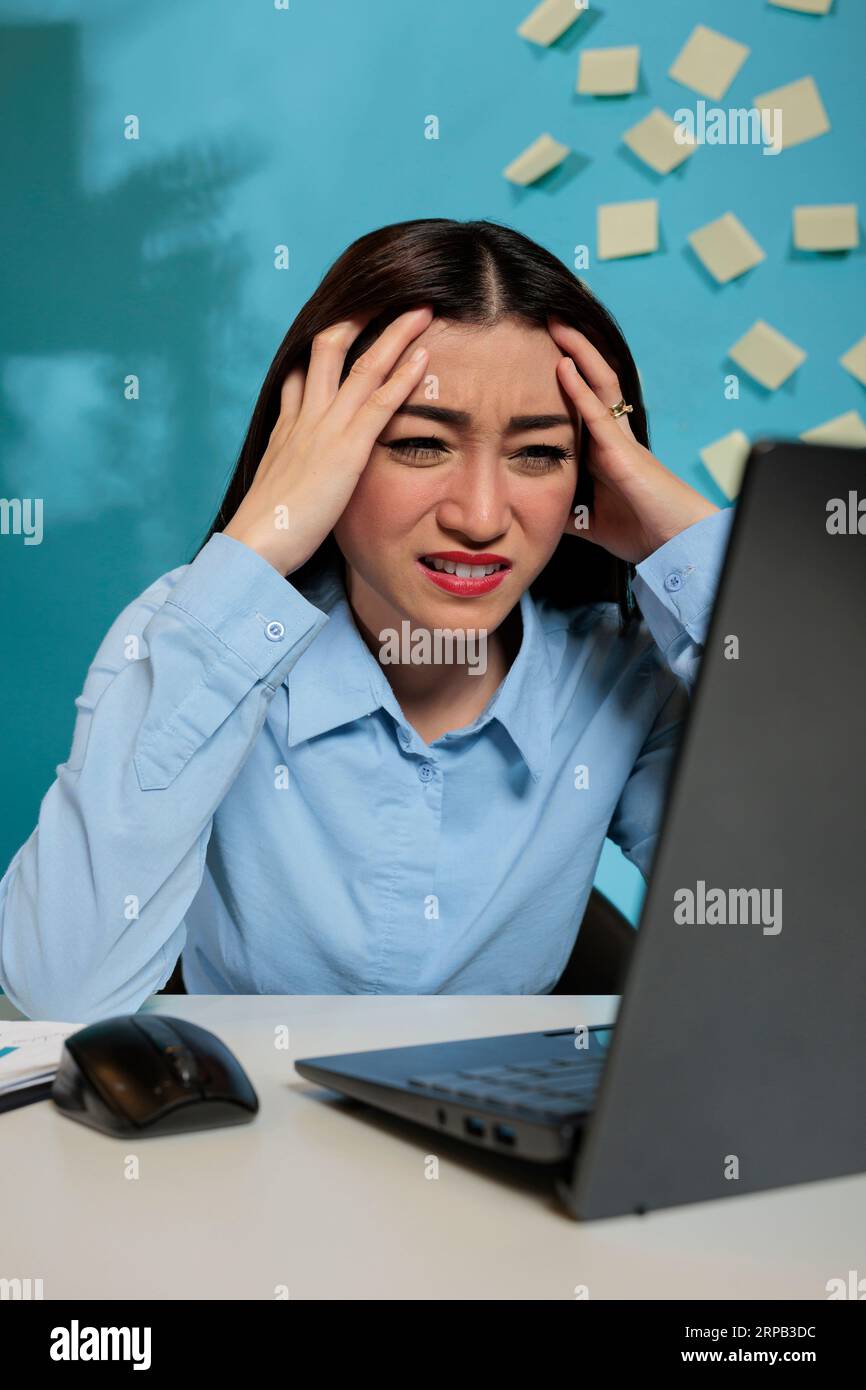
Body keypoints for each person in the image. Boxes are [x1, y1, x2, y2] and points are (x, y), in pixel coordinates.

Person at [0, 219, 732, 1020]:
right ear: (323, 454)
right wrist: (259, 541)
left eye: (539, 454)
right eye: (421, 444)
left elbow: (800, 929)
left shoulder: (621, 672)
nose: (483, 517)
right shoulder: (188, 632)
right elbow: (57, 993)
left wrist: (695, 542)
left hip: (493, 1138)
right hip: (238, 1140)